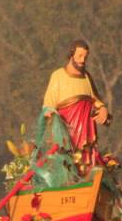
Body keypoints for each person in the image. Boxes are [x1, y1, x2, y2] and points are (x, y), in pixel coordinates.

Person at [42, 39, 110, 169]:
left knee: (86, 161)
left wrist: (102, 109)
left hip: (86, 131)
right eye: (79, 56)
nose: (82, 60)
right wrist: (51, 117)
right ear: (71, 54)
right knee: (68, 160)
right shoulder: (58, 76)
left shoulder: (87, 77)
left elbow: (96, 100)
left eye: (85, 57)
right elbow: (48, 104)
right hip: (66, 131)